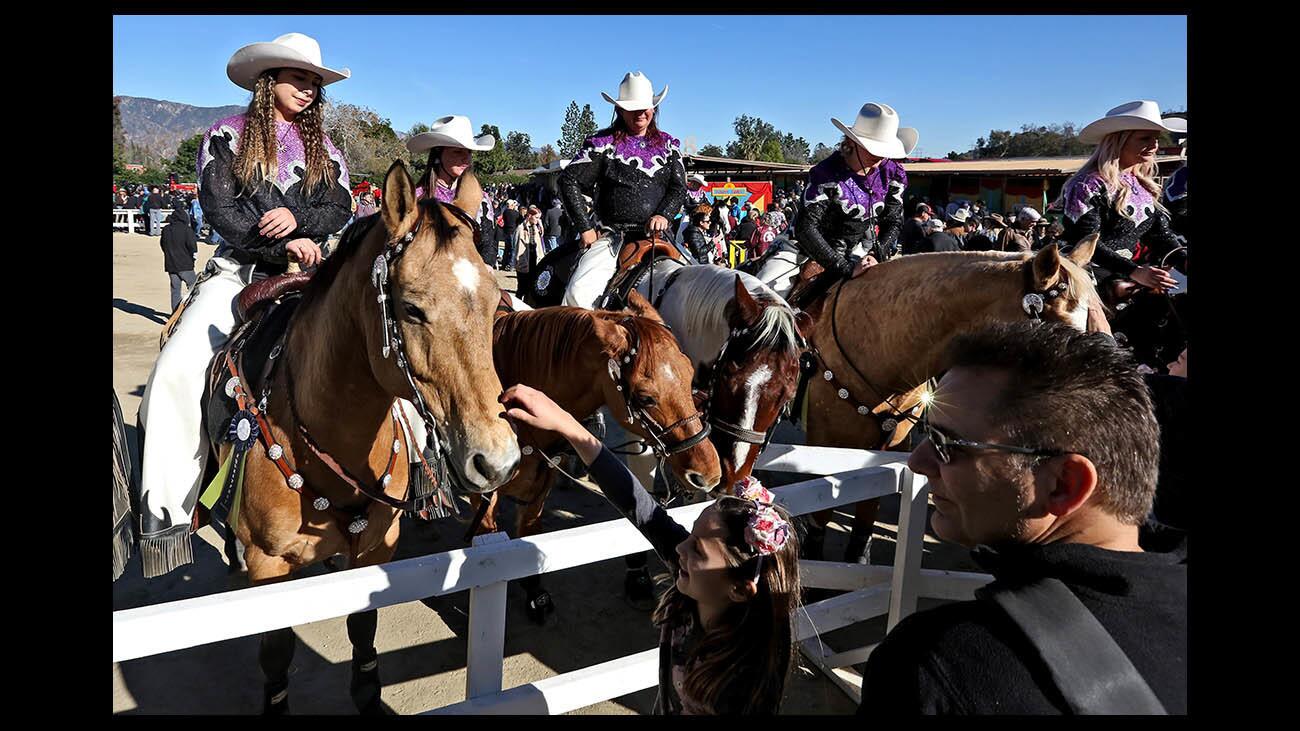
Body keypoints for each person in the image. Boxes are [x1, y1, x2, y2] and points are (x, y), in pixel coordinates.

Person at [859, 321, 1186, 714]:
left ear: (1064, 484)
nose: (917, 460)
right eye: (924, 432)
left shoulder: (937, 666)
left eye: (947, 445)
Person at [136, 32, 353, 585]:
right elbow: (222, 212)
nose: (307, 88)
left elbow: (340, 208)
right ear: (269, 80)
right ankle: (168, 517)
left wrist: (301, 227)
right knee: (177, 374)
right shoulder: (225, 138)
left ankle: (421, 477)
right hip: (238, 273)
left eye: (314, 81)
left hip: (312, 274)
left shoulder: (327, 151)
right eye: (297, 77)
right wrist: (279, 243)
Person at [499, 384, 802, 715]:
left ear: (741, 590)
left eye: (699, 551)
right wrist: (567, 425)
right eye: (690, 536)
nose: (680, 547)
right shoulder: (705, 581)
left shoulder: (743, 682)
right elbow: (641, 507)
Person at [558, 70, 687, 295]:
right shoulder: (601, 144)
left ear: (653, 108)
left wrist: (664, 215)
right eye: (632, 108)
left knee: (696, 284)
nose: (640, 113)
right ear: (619, 110)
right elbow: (568, 181)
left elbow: (679, 187)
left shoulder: (669, 145)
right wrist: (585, 229)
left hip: (659, 237)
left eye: (644, 107)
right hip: (612, 237)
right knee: (579, 292)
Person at [790, 102, 914, 307]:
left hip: (860, 249)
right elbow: (806, 227)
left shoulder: (892, 173)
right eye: (872, 147)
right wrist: (845, 268)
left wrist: (876, 254)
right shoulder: (826, 173)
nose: (879, 155)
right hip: (802, 249)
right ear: (851, 142)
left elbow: (893, 221)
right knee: (769, 290)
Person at [1058, 101, 1184, 295]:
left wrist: (1183, 260)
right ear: (1119, 141)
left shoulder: (1143, 186)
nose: (1154, 146)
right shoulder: (1087, 185)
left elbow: (1161, 236)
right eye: (1145, 138)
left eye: (1156, 138)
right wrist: (1134, 271)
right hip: (1082, 276)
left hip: (1126, 273)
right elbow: (1085, 241)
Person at [160, 206, 198, 311]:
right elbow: (192, 247)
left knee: (175, 290)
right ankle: (192, 311)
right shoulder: (187, 230)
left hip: (171, 264)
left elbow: (163, 245)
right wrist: (193, 259)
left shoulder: (166, 229)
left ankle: (175, 312)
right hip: (185, 264)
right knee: (194, 288)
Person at [516, 204, 545, 273]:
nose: (538, 220)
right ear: (530, 216)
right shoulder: (521, 229)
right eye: (536, 217)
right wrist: (521, 265)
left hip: (535, 259)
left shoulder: (536, 228)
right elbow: (519, 248)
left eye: (539, 218)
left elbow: (539, 247)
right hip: (525, 262)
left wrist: (541, 226)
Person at [499, 200, 521, 272]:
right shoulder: (515, 213)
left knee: (506, 248)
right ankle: (511, 265)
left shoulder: (505, 212)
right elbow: (520, 220)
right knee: (513, 249)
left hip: (506, 231)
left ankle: (504, 264)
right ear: (512, 205)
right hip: (512, 231)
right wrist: (516, 209)